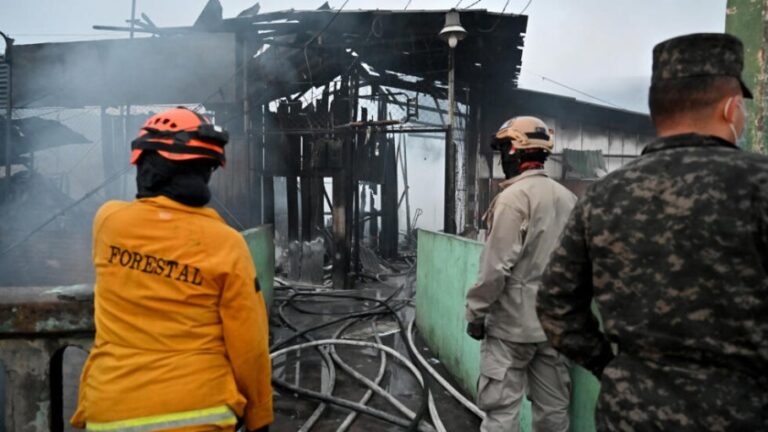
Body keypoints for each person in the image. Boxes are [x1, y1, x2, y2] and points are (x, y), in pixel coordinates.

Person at [537, 33, 768, 431]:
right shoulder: (758, 184)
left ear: (658, 112)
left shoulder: (604, 196)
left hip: (630, 414)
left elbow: (556, 306)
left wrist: (612, 368)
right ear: (732, 109)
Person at [71, 107, 273, 432]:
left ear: (147, 167)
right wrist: (260, 415)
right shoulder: (226, 243)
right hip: (202, 412)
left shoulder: (108, 223)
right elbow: (249, 345)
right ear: (205, 173)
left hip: (111, 412)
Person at [465, 116, 577, 432]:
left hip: (511, 329)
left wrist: (476, 313)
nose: (502, 158)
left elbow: (495, 267)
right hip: (554, 327)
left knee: (501, 414)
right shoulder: (568, 199)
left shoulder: (513, 199)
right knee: (554, 413)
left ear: (516, 149)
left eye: (504, 150)